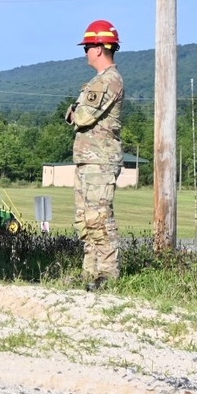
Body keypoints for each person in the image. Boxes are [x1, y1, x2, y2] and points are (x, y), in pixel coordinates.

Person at [65, 19, 125, 292]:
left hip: (100, 160)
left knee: (99, 217)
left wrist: (73, 112)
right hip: (90, 159)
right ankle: (90, 272)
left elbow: (83, 115)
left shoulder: (109, 80)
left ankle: (107, 274)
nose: (86, 52)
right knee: (85, 218)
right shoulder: (97, 81)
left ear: (100, 48)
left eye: (88, 46)